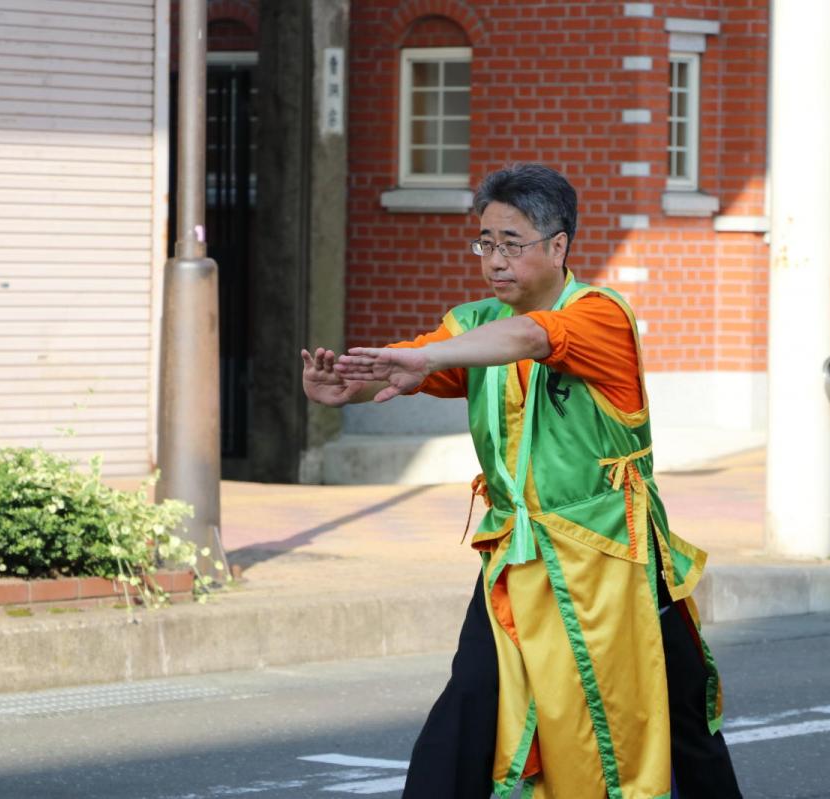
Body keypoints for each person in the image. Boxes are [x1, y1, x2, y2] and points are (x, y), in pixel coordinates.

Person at [300, 164, 741, 799]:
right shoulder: (473, 326)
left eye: (512, 242)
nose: (494, 260)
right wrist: (350, 386)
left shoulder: (600, 315)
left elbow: (533, 337)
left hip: (617, 567)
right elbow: (415, 366)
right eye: (485, 242)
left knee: (682, 718)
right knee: (469, 706)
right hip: (520, 561)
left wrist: (427, 358)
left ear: (558, 246)